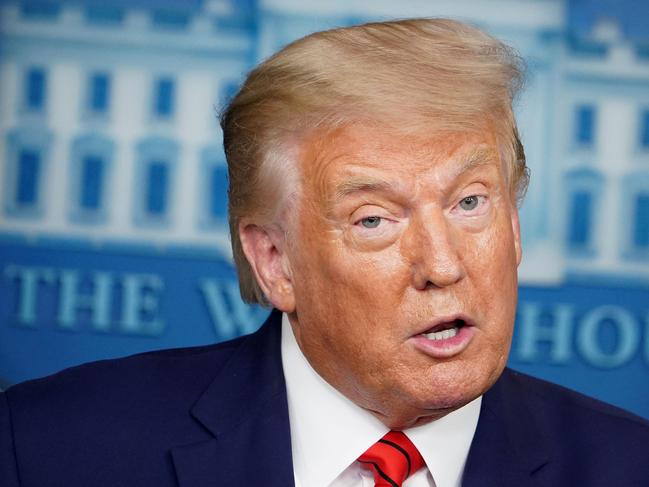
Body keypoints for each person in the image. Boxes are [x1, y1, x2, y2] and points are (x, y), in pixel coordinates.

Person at [1, 18, 648, 487]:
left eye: (469, 203)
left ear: (512, 224)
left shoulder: (628, 464)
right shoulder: (46, 447)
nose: (443, 264)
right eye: (373, 218)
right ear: (275, 261)